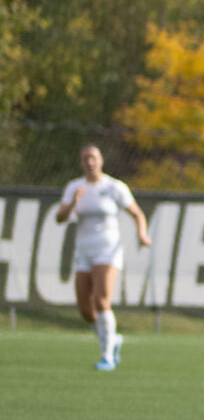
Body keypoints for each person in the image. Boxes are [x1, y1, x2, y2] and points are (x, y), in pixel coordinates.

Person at [55, 144, 149, 371]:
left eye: (93, 157)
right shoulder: (74, 187)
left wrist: (142, 234)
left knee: (101, 300)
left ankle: (107, 356)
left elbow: (137, 214)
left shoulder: (114, 187)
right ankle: (113, 339)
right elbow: (60, 218)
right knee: (86, 311)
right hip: (84, 251)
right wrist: (73, 203)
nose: (89, 162)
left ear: (100, 160)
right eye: (85, 158)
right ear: (81, 162)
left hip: (107, 249)